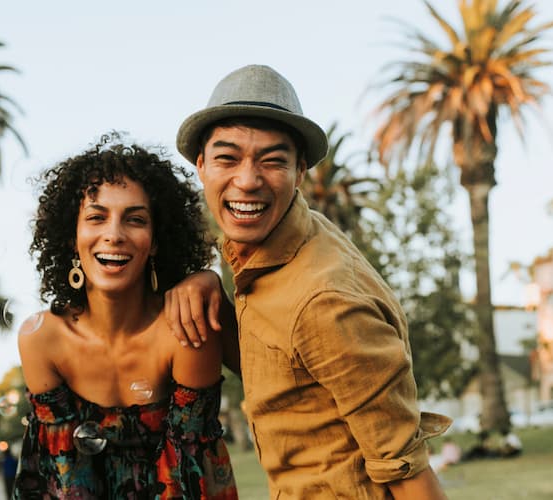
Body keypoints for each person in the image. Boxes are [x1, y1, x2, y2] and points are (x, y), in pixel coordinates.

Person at [166, 64, 452, 499]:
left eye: (272, 161)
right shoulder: (276, 243)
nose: (247, 180)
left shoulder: (326, 298)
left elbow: (406, 469)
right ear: (202, 166)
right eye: (228, 158)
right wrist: (208, 285)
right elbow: (281, 366)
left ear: (300, 172)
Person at [13, 135, 238, 499]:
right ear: (73, 236)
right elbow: (65, 481)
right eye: (96, 217)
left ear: (157, 240)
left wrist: (207, 279)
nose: (114, 235)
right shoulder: (41, 340)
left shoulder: (185, 327)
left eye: (134, 219)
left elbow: (190, 475)